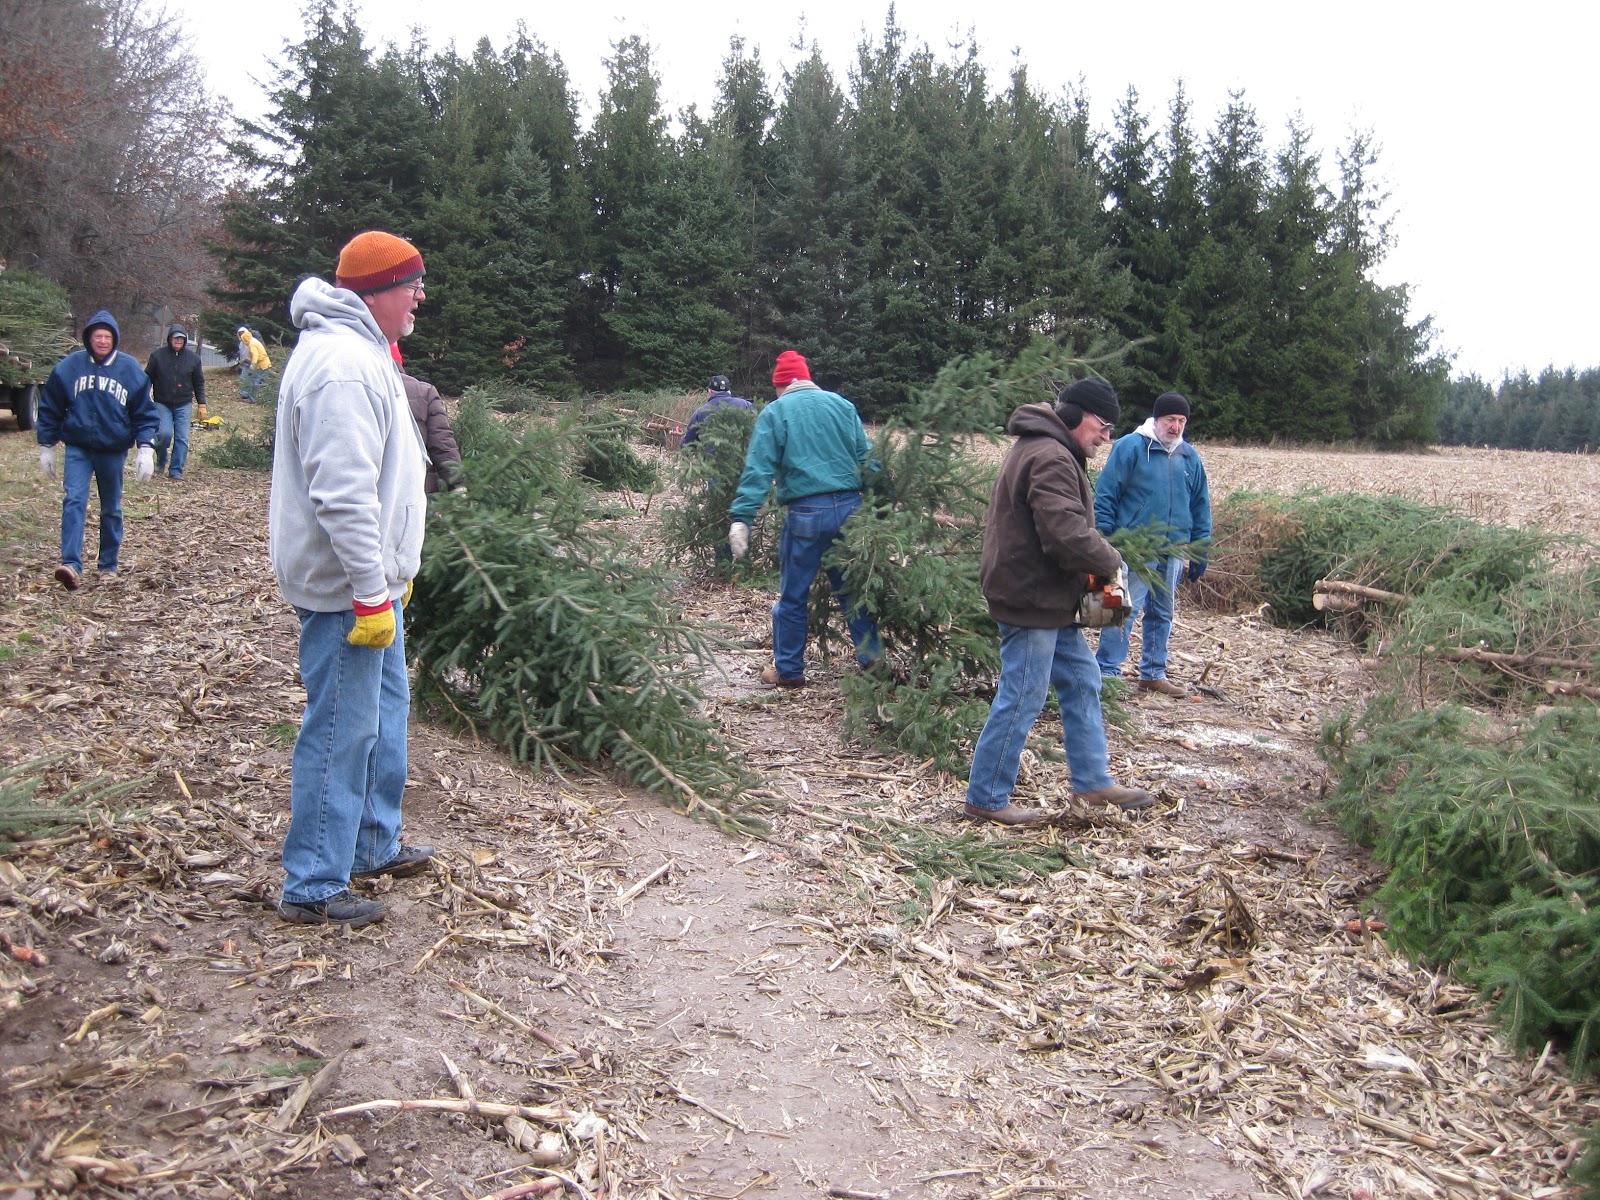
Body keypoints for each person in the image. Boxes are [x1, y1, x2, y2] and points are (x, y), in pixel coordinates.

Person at [269, 230, 433, 929]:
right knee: (341, 728)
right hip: (348, 594)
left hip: (375, 586)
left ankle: (370, 843)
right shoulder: (341, 366)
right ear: (376, 291)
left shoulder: (363, 352)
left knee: (383, 717)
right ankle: (313, 881)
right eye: (411, 283)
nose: (420, 295)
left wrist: (393, 572)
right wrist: (369, 590)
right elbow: (342, 494)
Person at [962, 377, 1154, 825]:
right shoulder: (1050, 455)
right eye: (1103, 426)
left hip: (1050, 597)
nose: (1106, 437)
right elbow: (1064, 533)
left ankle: (1092, 783)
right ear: (1075, 416)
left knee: (1083, 679)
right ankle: (986, 797)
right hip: (1031, 599)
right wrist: (1112, 562)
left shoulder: (1050, 449)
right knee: (1023, 696)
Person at [728, 350, 880, 687]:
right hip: (852, 509)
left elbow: (759, 469)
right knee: (853, 590)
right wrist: (883, 505)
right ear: (808, 379)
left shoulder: (776, 412)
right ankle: (873, 658)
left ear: (780, 385)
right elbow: (868, 460)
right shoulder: (842, 405)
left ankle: (789, 670)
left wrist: (742, 516)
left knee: (794, 596)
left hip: (807, 513)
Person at [1093, 391, 1213, 697]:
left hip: (1172, 549)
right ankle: (1106, 672)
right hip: (1134, 547)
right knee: (1121, 609)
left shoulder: (1189, 457)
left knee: (1162, 612)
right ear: (1156, 419)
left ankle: (1153, 673)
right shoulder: (1130, 447)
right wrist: (1105, 536)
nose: (1176, 426)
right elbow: (1107, 493)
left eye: (1181, 420)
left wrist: (1200, 548)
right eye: (1170, 419)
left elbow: (1200, 504)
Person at [37, 311, 158, 591]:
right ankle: (71, 564)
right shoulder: (69, 367)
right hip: (78, 447)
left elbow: (145, 413)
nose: (102, 341)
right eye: (97, 336)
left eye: (107, 336)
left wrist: (146, 448)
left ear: (114, 339)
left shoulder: (130, 370)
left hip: (112, 449)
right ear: (88, 338)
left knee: (111, 507)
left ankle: (108, 565)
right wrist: (47, 444)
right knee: (73, 500)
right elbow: (51, 406)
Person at [143, 325, 204, 481]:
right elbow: (147, 379)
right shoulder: (157, 356)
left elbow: (199, 382)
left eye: (181, 338)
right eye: (176, 338)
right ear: (170, 339)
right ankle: (161, 459)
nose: (178, 341)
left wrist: (202, 404)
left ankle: (176, 470)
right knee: (164, 434)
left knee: (182, 438)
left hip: (184, 403)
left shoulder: (193, 359)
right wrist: (143, 398)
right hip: (162, 403)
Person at [680, 374, 753, 449]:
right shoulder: (746, 405)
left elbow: (687, 444)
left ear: (710, 392)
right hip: (741, 454)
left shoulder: (700, 412)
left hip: (709, 456)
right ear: (729, 391)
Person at [237, 325, 272, 403]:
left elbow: (255, 355)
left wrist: (253, 364)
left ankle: (253, 399)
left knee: (254, 381)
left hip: (262, 365)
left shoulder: (251, 344)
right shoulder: (254, 341)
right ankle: (268, 398)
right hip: (264, 365)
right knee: (264, 382)